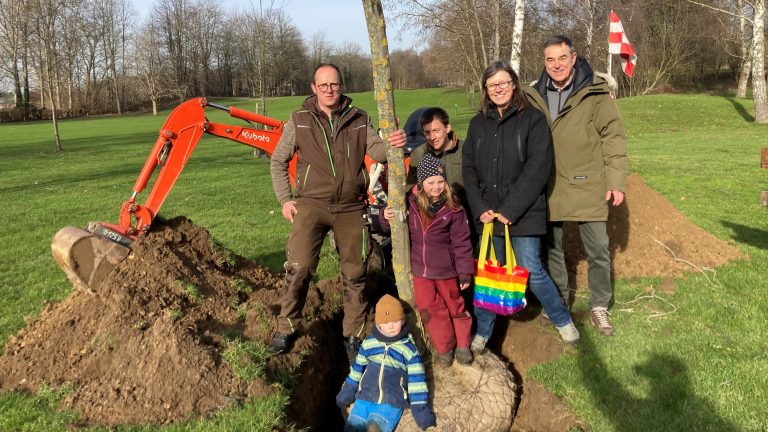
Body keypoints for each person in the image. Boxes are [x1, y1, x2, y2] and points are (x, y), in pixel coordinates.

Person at [269, 63, 403, 361]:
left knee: (355, 273)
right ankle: (286, 328)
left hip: (351, 206)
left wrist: (394, 145)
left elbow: (377, 151)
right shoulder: (299, 120)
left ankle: (352, 336)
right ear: (313, 88)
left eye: (335, 85)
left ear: (342, 86)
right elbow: (278, 161)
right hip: (311, 206)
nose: (330, 90)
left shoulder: (359, 118)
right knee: (299, 267)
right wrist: (284, 199)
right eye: (324, 85)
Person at [462, 60, 580, 354]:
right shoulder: (477, 124)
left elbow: (538, 168)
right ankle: (483, 331)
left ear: (514, 84)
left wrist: (510, 209)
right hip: (489, 215)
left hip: (523, 213)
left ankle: (562, 319)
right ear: (486, 91)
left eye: (503, 83)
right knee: (491, 272)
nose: (498, 89)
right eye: (492, 85)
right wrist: (480, 207)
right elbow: (469, 169)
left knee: (531, 269)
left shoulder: (533, 120)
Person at [524, 35, 628, 336]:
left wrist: (616, 180)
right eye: (550, 59)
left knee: (597, 248)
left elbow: (614, 137)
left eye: (562, 58)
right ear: (544, 62)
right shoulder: (534, 94)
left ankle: (599, 305)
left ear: (574, 57)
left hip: (588, 182)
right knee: (553, 248)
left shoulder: (595, 93)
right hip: (549, 184)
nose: (556, 65)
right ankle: (560, 302)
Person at [383, 153, 474, 366]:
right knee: (430, 309)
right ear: (421, 184)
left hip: (446, 271)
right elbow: (392, 223)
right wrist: (384, 215)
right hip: (421, 272)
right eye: (431, 182)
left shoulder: (453, 209)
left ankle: (463, 344)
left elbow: (462, 242)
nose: (437, 187)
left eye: (441, 181)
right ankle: (444, 347)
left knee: (455, 306)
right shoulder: (410, 203)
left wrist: (464, 272)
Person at [336, 294, 436, 432]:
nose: (390, 326)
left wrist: (421, 412)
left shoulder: (408, 349)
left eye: (395, 321)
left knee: (374, 428)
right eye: (386, 322)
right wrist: (348, 390)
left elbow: (417, 382)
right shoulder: (369, 343)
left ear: (402, 321)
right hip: (364, 397)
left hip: (391, 401)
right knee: (352, 428)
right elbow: (357, 368)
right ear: (378, 323)